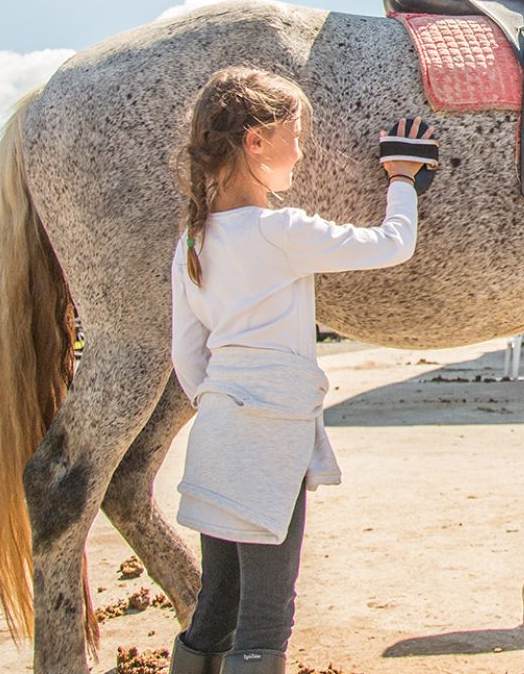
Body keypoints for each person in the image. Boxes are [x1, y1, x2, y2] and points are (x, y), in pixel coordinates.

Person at [167, 67, 439, 674]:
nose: (303, 148)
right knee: (267, 617)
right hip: (274, 430)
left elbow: (188, 354)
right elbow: (392, 244)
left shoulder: (190, 239)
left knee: (217, 601)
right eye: (295, 133)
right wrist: (401, 179)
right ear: (255, 142)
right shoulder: (281, 231)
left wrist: (221, 407)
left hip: (218, 430)